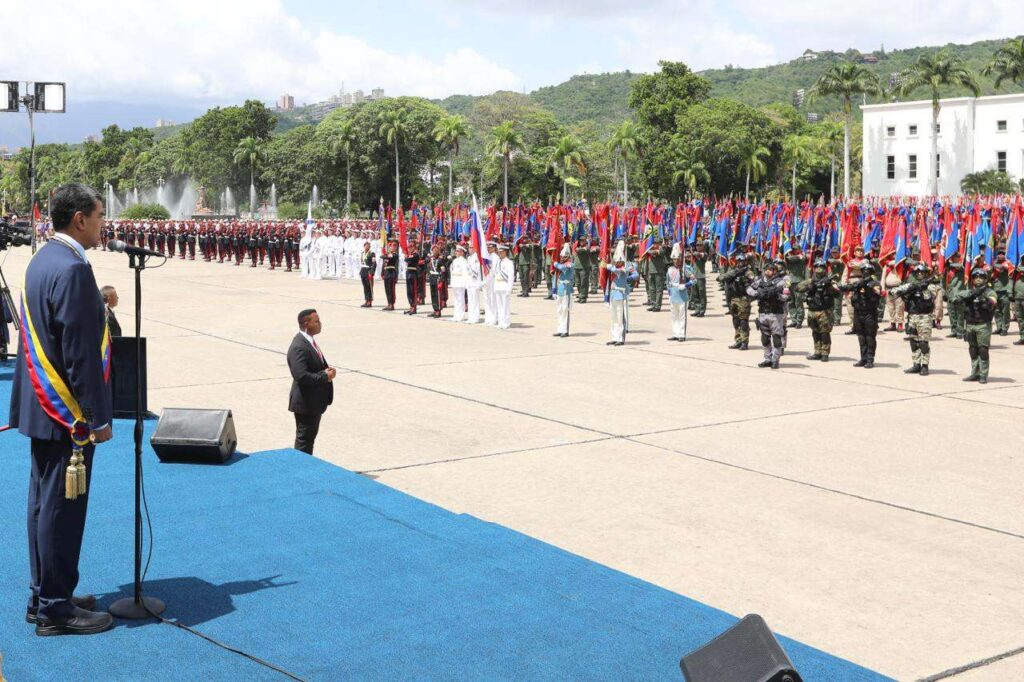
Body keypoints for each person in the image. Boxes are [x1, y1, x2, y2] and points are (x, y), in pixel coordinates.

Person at [10, 182, 114, 636]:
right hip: (65, 414)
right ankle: (56, 609)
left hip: (40, 406)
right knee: (62, 510)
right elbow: (79, 353)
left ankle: (46, 593)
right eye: (99, 216)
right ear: (80, 220)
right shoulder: (72, 268)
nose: (103, 225)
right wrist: (98, 416)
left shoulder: (43, 259)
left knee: (43, 506)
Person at [287, 309, 335, 454]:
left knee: (308, 440)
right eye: (316, 321)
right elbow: (301, 376)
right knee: (304, 442)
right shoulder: (299, 346)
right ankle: (299, 471)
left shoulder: (309, 341)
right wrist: (324, 376)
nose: (320, 324)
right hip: (305, 403)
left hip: (314, 402)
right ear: (306, 323)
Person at [893, 262, 940, 375]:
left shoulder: (931, 286)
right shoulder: (910, 285)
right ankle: (916, 364)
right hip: (912, 316)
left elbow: (929, 297)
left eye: (922, 272)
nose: (919, 274)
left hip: (924, 317)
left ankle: (924, 365)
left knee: (923, 343)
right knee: (913, 342)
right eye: (917, 272)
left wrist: (921, 288)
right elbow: (895, 292)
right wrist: (906, 291)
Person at [956, 268, 997, 384]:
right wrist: (971, 294)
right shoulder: (969, 291)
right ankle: (975, 373)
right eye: (975, 277)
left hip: (983, 325)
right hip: (970, 324)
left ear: (985, 279)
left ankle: (983, 374)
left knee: (983, 350)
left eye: (981, 277)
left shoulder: (989, 292)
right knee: (973, 350)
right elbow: (956, 297)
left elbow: (992, 302)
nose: (978, 279)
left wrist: (983, 297)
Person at [747, 259, 790, 369]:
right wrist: (757, 294)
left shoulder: (780, 282)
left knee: (776, 337)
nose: (769, 271)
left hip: (776, 314)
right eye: (767, 269)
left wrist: (776, 295)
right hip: (763, 313)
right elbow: (748, 289)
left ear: (775, 271)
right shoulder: (760, 281)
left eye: (771, 270)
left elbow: (786, 296)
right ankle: (767, 358)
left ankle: (775, 359)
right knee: (765, 338)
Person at [797, 259, 841, 361]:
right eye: (817, 267)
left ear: (825, 269)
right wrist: (811, 286)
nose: (819, 269)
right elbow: (798, 288)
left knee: (824, 333)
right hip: (812, 310)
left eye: (821, 267)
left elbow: (838, 293)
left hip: (825, 311)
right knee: (815, 332)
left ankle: (825, 353)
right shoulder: (810, 280)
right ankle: (817, 352)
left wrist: (828, 286)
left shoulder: (830, 281)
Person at [842, 262, 882, 368]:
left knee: (869, 337)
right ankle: (863, 358)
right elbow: (849, 287)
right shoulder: (859, 283)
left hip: (869, 313)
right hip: (858, 313)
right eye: (863, 270)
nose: (865, 272)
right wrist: (843, 287)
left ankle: (870, 359)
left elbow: (877, 294)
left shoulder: (875, 283)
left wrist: (868, 288)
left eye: (867, 271)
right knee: (861, 337)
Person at [604, 240, 638, 346]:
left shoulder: (627, 265)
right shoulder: (614, 266)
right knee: (613, 316)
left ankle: (620, 338)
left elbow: (636, 274)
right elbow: (611, 269)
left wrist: (629, 277)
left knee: (620, 316)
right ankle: (614, 337)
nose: (617, 263)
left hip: (621, 293)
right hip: (613, 293)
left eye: (619, 261)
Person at [721, 253, 754, 350]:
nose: (740, 263)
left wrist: (745, 277)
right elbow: (720, 278)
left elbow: (753, 279)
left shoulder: (747, 272)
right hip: (733, 299)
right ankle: (738, 340)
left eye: (742, 261)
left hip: (743, 299)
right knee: (735, 320)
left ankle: (744, 341)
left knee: (743, 321)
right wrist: (732, 274)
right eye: (738, 261)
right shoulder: (733, 271)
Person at [666, 243, 696, 341]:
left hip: (682, 295)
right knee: (674, 316)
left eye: (677, 259)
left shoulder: (685, 269)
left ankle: (682, 334)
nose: (676, 261)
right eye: (674, 259)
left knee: (681, 316)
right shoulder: (670, 269)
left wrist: (686, 285)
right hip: (673, 295)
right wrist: (669, 293)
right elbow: (667, 282)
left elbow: (694, 280)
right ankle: (675, 333)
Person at [552, 244, 574, 337]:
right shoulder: (561, 264)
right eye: (561, 256)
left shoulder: (570, 264)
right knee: (559, 310)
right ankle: (560, 329)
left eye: (564, 256)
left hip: (567, 290)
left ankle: (565, 330)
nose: (562, 258)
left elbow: (563, 268)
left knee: (565, 310)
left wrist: (555, 263)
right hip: (560, 289)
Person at [494, 243, 515, 329]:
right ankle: (501, 322)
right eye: (499, 252)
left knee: (505, 306)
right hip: (498, 286)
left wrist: (509, 288)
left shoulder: (509, 263)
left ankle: (506, 322)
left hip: (505, 286)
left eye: (501, 252)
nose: (499, 253)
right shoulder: (498, 262)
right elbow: (495, 275)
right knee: (499, 306)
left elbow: (511, 276)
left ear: (505, 252)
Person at [449, 244, 469, 323]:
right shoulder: (455, 260)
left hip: (460, 282)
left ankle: (461, 315)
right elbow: (452, 272)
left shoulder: (464, 261)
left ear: (462, 252)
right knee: (456, 299)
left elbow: (465, 273)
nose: (456, 252)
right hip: (455, 282)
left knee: (461, 299)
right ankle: (456, 315)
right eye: (456, 251)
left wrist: (465, 283)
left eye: (458, 251)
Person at [358, 240, 376, 307]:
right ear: (364, 246)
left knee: (369, 287)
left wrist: (372, 272)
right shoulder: (362, 253)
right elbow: (361, 261)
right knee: (365, 287)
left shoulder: (372, 253)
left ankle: (369, 301)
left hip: (368, 270)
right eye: (366, 245)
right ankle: (366, 300)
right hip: (363, 270)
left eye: (368, 245)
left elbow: (374, 263)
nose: (367, 246)